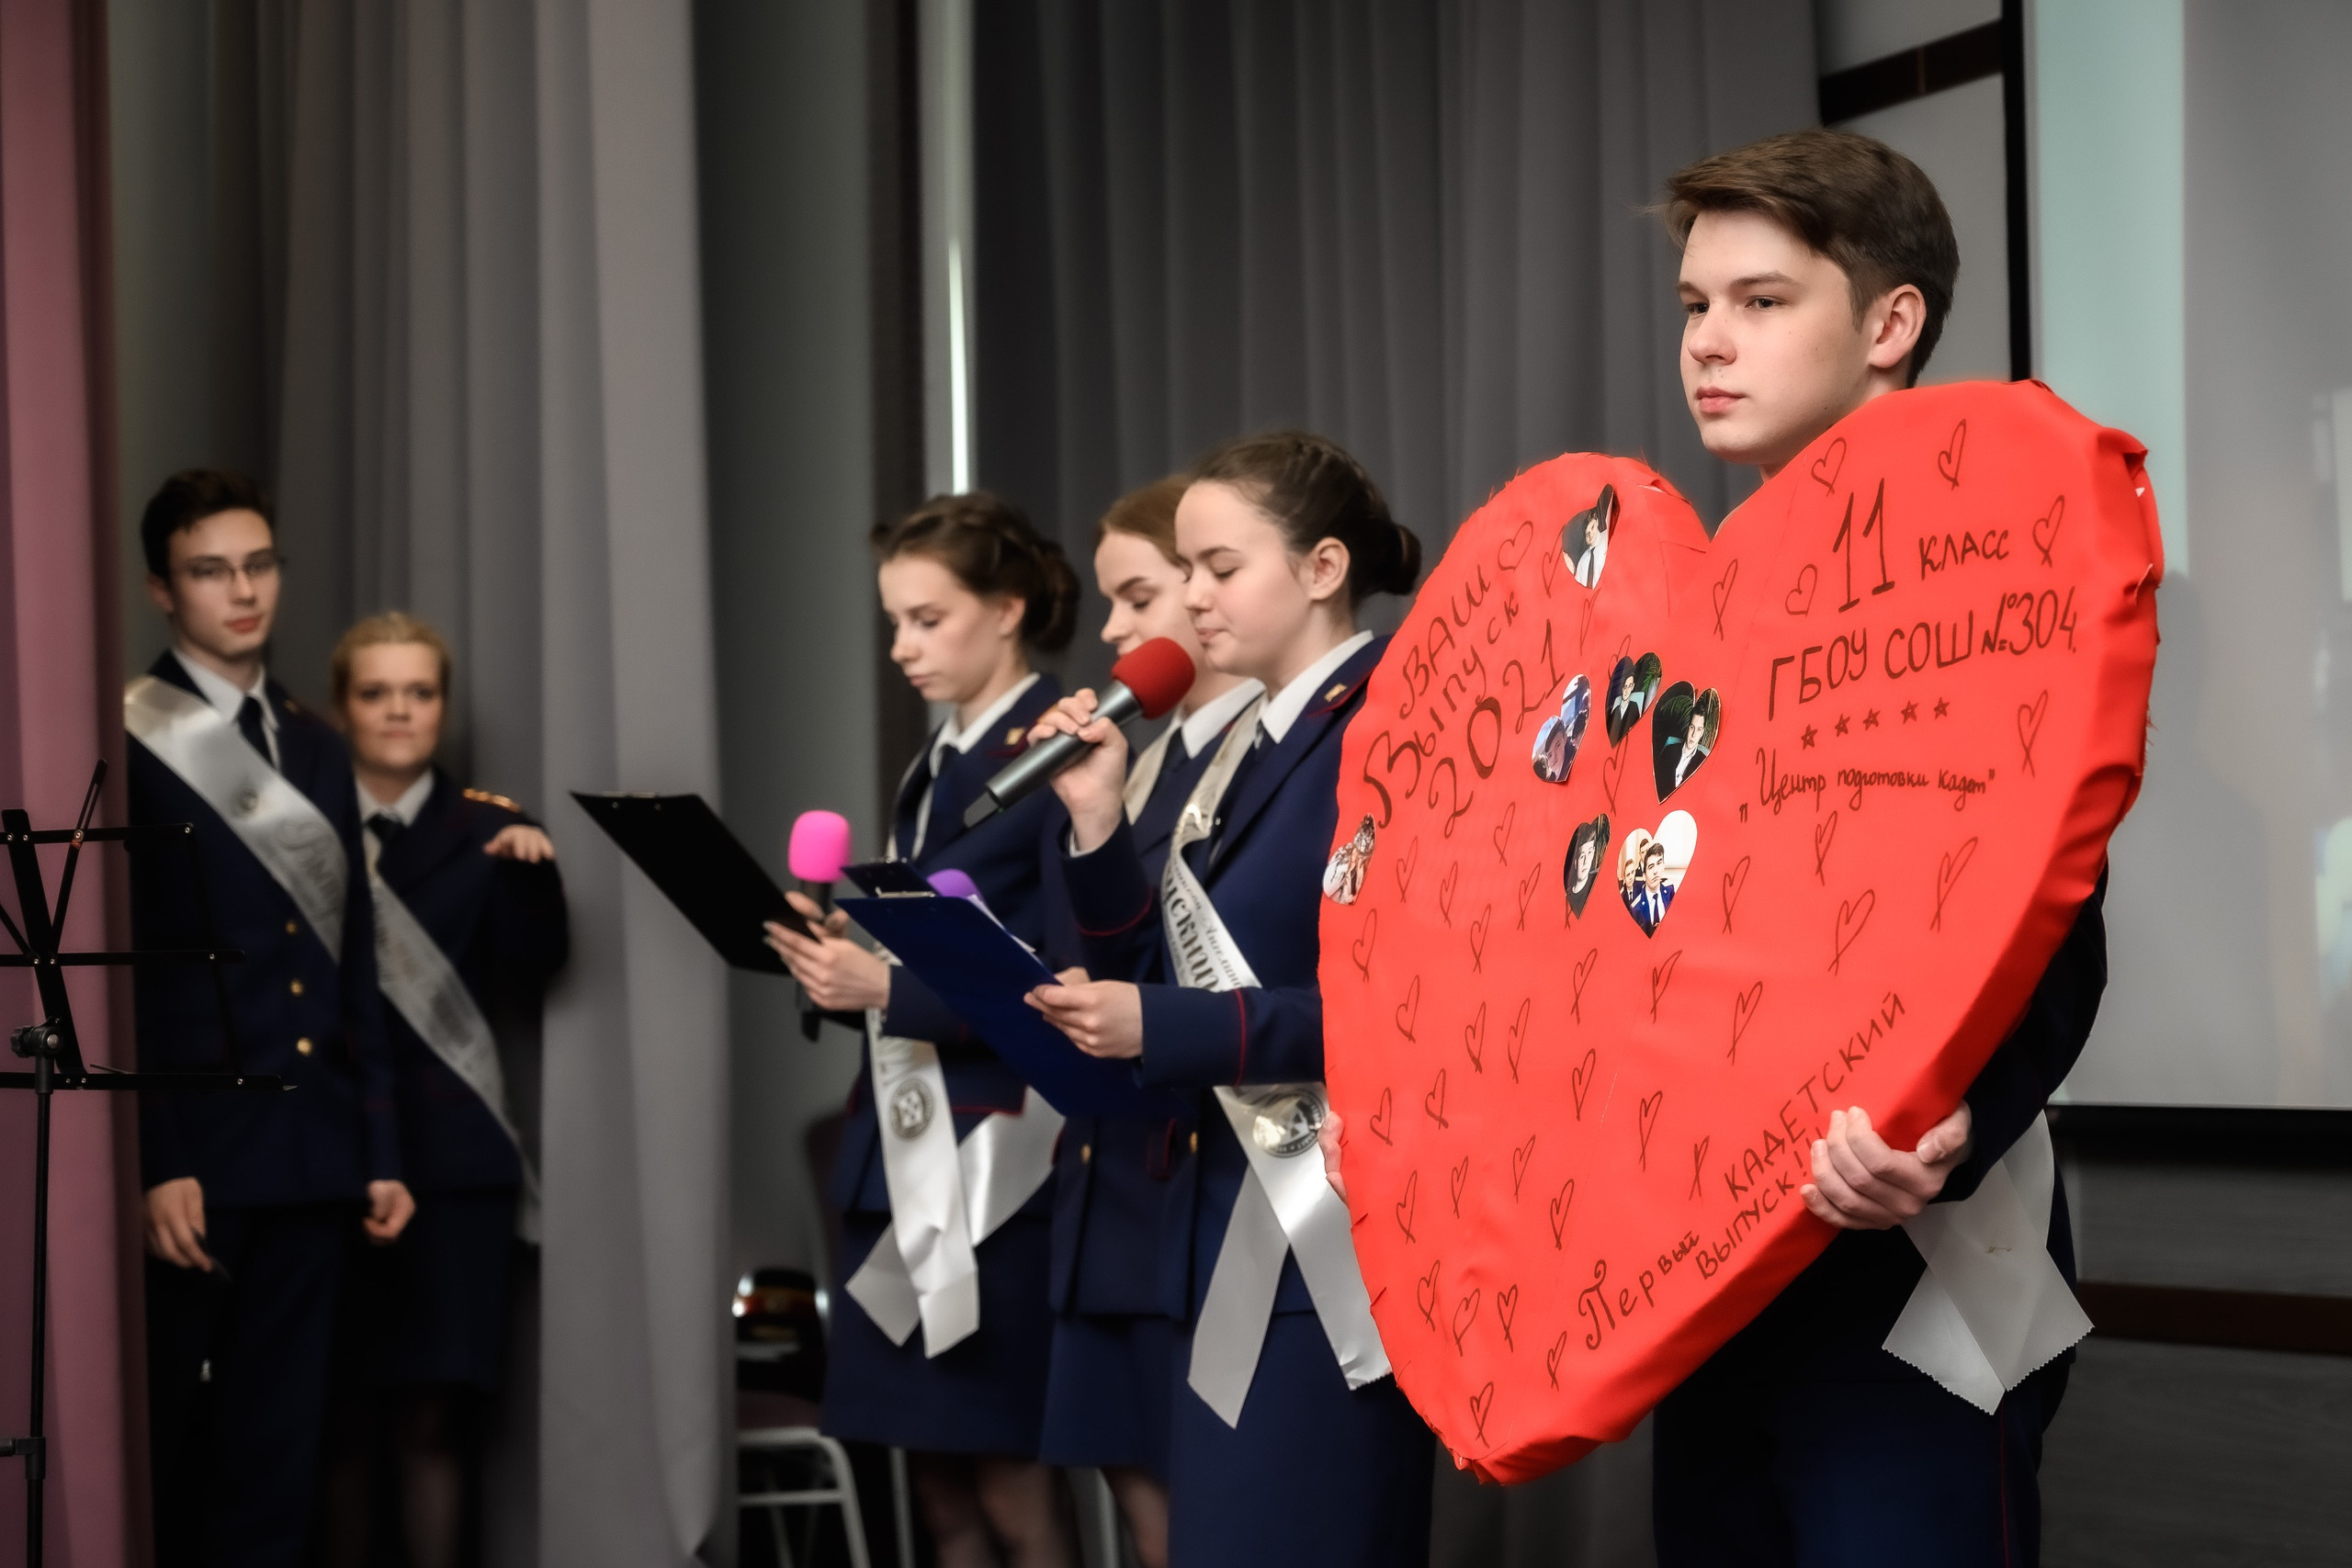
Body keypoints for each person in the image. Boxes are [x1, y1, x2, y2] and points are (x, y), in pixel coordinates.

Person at [1642, 127, 2108, 1565]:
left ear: (1891, 323)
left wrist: (1954, 1116)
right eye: (1695, 304)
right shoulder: (1694, 601)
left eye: (1762, 301)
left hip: (1902, 1255)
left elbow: (2055, 903)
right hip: (1697, 1258)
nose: (1709, 341)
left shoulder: (1988, 552)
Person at [1023, 431, 1434, 1566]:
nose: (1193, 598)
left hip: (1331, 1231)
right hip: (1217, 1219)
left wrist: (1166, 1025)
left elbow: (1408, 1006)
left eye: (1219, 567)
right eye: (1187, 571)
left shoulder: (1394, 721)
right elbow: (1150, 959)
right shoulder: (1246, 743)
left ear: (1322, 568)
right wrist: (1097, 821)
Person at [765, 493, 1082, 1568]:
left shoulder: (1057, 755)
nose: (901, 646)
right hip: (898, 1146)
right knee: (936, 1489)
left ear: (1008, 608)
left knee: (1008, 1482)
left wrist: (887, 990)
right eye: (893, 622)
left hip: (998, 1161)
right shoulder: (938, 761)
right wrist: (834, 966)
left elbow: (1059, 981)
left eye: (927, 619)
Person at [126, 469, 413, 1565]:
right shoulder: (127, 736)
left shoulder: (319, 744)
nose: (243, 591)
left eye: (258, 565)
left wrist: (379, 1149)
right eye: (211, 571)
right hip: (202, 1159)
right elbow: (128, 971)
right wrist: (158, 1157)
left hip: (315, 1152)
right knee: (175, 1455)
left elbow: (352, 963)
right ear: (163, 590)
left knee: (283, 1461)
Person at [1037, 477, 1261, 1568]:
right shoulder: (1141, 760)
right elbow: (1097, 950)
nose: (1114, 631)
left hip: (1210, 1173)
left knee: (1209, 1519)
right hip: (1111, 1170)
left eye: (1140, 597)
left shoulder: (1263, 751)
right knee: (1141, 1514)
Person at [318, 612, 568, 1568]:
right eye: (376, 693)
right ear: (342, 707)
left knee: (434, 1422)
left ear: (443, 706)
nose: (398, 711)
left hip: (454, 1165)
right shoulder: (303, 828)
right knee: (340, 1422)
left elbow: (538, 965)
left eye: (419, 693)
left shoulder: (491, 827)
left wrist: (534, 880)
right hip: (335, 1157)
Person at [1623, 841, 1674, 935]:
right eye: (1651, 867)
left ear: (1663, 866)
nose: (1655, 871)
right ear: (1644, 876)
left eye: (1659, 863)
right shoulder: (1635, 909)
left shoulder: (1671, 894)